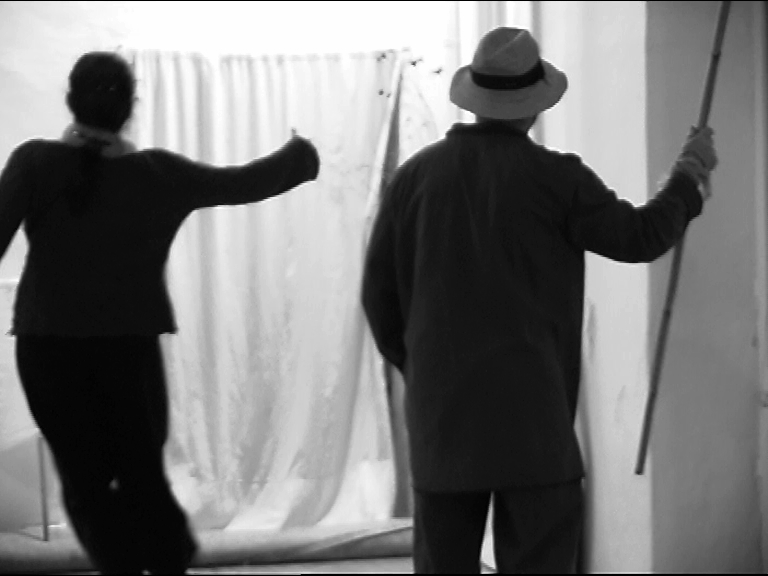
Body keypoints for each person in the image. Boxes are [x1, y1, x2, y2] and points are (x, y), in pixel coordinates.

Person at [361, 27, 717, 574]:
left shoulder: (413, 180)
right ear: (533, 106)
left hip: (443, 429)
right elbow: (641, 237)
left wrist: (424, 367)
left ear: (474, 98)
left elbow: (378, 297)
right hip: (534, 430)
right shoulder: (558, 180)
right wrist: (688, 178)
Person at [0, 51, 320, 574]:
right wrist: (301, 155)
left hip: (48, 348)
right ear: (131, 106)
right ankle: (168, 563)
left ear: (70, 99)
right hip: (129, 352)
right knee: (142, 473)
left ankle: (126, 565)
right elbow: (242, 182)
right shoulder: (157, 174)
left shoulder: (34, 162)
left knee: (85, 483)